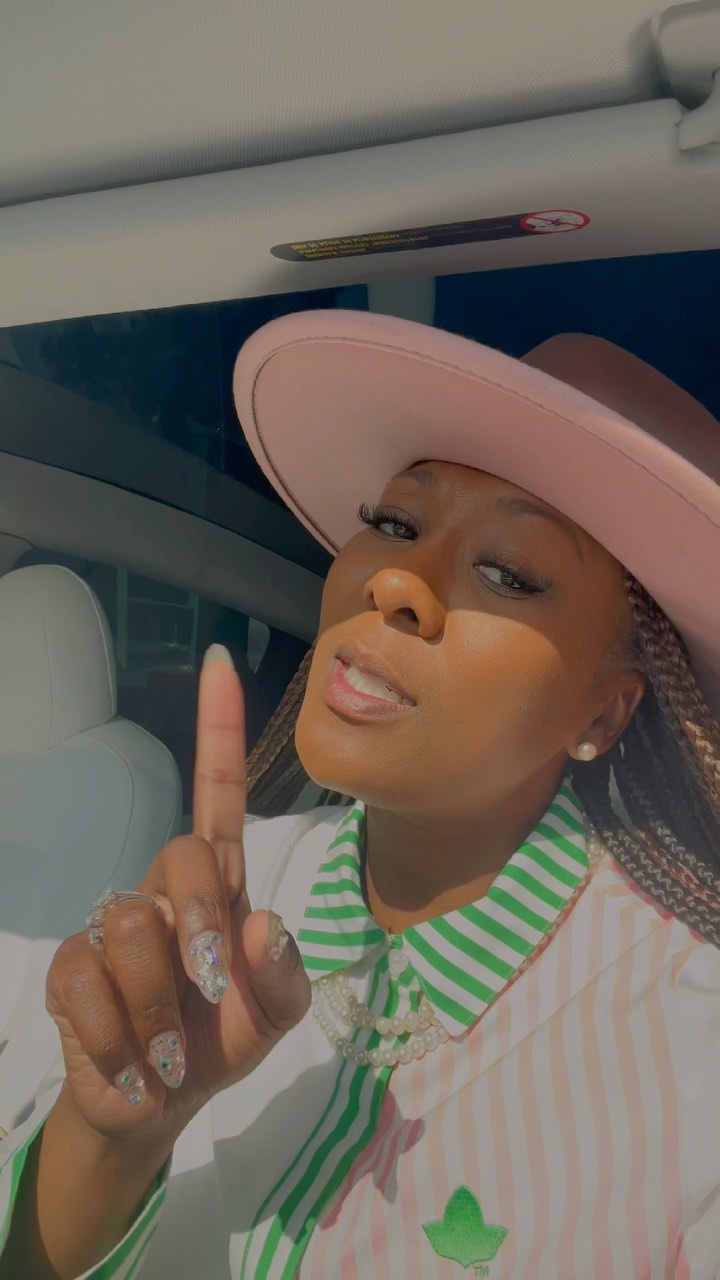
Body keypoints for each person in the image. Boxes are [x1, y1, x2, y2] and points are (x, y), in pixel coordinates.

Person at [1, 308, 719, 1280]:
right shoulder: (208, 909)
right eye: (393, 524)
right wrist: (110, 1137)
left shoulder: (692, 1046)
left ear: (606, 708)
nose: (397, 582)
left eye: (508, 572)